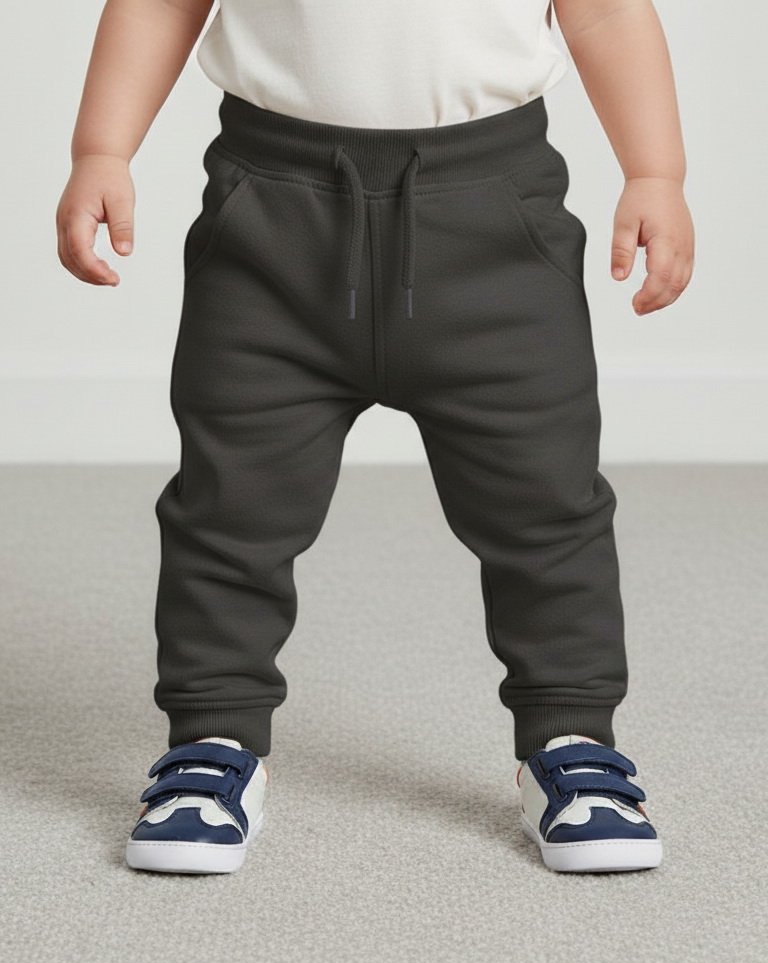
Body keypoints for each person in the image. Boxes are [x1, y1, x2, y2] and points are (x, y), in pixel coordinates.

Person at [56, 0, 693, 875]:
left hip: (493, 223)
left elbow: (609, 15)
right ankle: (211, 740)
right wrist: (101, 150)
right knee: (230, 505)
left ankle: (573, 739)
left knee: (546, 502)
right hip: (271, 222)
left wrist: (656, 171)